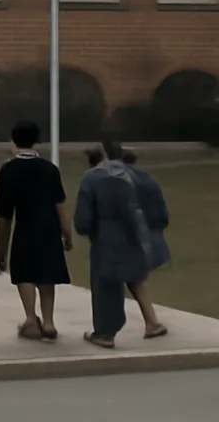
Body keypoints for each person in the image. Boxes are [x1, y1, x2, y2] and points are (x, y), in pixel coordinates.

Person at [0, 121, 72, 341]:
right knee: (47, 274)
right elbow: (60, 204)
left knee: (24, 273)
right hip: (48, 229)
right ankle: (48, 322)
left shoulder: (8, 170)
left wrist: (0, 251)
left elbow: (3, 215)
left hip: (24, 227)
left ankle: (30, 317)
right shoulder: (49, 169)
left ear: (13, 141)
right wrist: (67, 233)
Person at [73, 138, 152, 349]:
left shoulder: (91, 178)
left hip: (105, 235)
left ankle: (105, 332)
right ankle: (141, 322)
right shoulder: (130, 174)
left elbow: (83, 218)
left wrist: (85, 229)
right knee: (126, 279)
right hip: (132, 233)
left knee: (104, 284)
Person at [121, 150, 169, 339]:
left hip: (133, 235)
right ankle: (152, 320)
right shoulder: (150, 178)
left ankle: (152, 322)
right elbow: (162, 211)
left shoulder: (122, 179)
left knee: (132, 279)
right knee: (135, 278)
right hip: (153, 231)